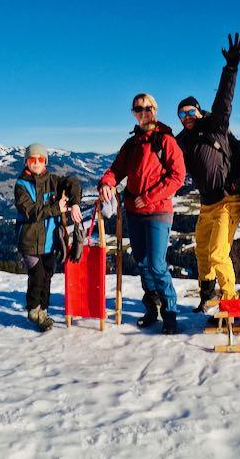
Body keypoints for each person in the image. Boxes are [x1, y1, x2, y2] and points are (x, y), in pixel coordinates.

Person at [98, 93, 187, 334]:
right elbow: (115, 170)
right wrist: (106, 183)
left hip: (158, 211)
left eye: (148, 108)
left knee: (157, 265)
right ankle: (152, 307)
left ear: (155, 110)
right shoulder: (132, 144)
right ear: (134, 113)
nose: (144, 112)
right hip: (134, 212)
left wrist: (148, 197)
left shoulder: (166, 140)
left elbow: (178, 176)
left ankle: (170, 311)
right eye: (138, 109)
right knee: (142, 262)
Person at [175, 33, 240, 312]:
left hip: (228, 201)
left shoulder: (215, 125)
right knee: (202, 252)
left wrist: (230, 69)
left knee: (218, 253)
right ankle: (207, 296)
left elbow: (223, 101)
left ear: (199, 111)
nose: (187, 117)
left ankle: (230, 302)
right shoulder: (183, 140)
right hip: (206, 204)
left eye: (190, 112)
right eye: (182, 114)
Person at [14, 142, 82, 332]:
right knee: (37, 275)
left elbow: (73, 182)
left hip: (50, 242)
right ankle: (33, 309)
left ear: (46, 161)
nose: (36, 162)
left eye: (40, 159)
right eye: (32, 159)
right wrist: (56, 208)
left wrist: (75, 203)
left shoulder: (53, 181)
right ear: (26, 161)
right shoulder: (21, 185)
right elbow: (31, 211)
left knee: (47, 277)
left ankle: (43, 310)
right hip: (29, 241)